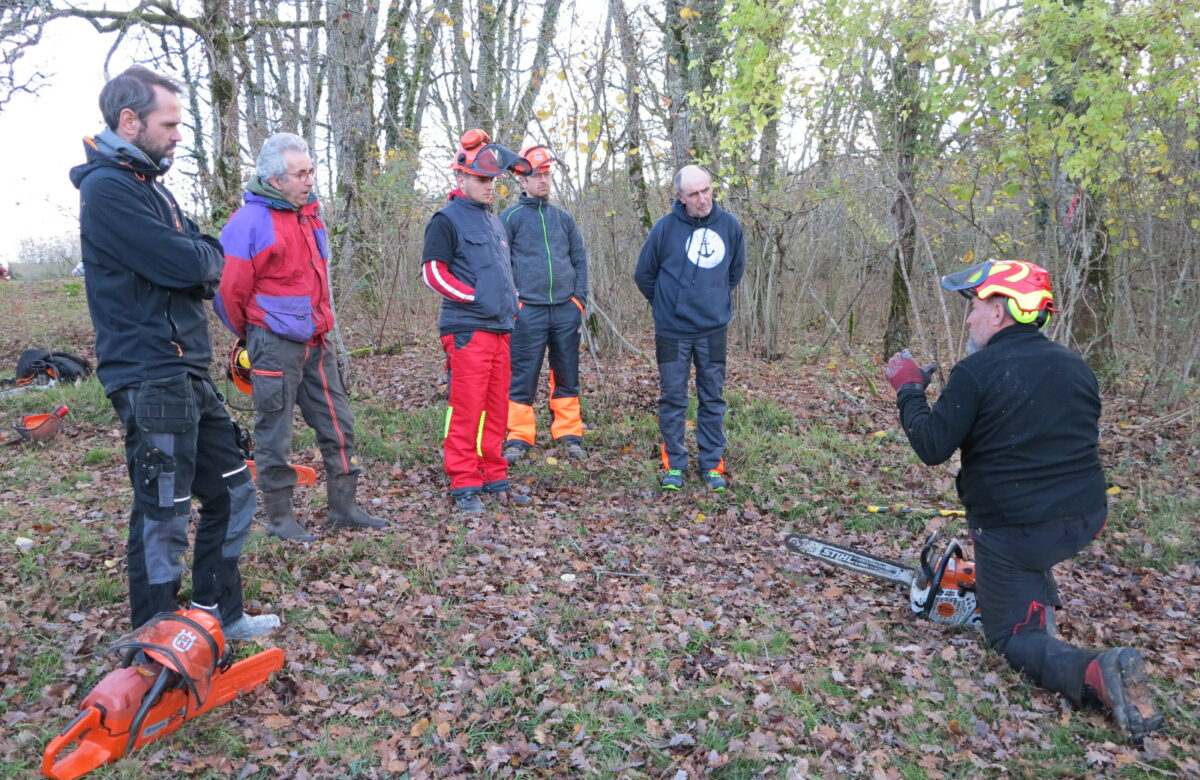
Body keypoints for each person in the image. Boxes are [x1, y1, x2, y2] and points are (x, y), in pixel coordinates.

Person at [884, 258, 1165, 743]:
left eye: (974, 306)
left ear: (1000, 311)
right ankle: (1033, 593)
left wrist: (909, 389)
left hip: (1014, 530)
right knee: (1032, 541)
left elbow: (931, 447)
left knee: (1010, 636)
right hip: (1085, 517)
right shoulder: (1077, 366)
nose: (969, 318)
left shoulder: (977, 371)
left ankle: (1096, 671)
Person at [69, 66, 277, 639]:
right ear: (129, 120)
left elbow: (209, 255)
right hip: (148, 372)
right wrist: (195, 260)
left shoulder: (150, 187)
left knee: (234, 491)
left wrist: (196, 259)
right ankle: (155, 638)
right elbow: (189, 263)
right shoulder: (107, 189)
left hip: (187, 369)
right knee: (163, 509)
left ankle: (218, 614)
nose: (178, 135)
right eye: (170, 124)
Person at [215, 132, 386, 541]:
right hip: (273, 344)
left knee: (339, 423)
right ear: (275, 180)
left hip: (318, 341)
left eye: (311, 171)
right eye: (301, 173)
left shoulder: (310, 215)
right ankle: (280, 520)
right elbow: (227, 292)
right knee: (275, 431)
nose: (310, 180)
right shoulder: (248, 224)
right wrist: (254, 333)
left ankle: (344, 508)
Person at [420, 129, 533, 513]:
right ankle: (464, 481)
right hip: (467, 330)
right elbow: (434, 274)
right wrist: (475, 299)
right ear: (461, 178)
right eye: (483, 180)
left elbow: (501, 273)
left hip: (501, 328)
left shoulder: (494, 222)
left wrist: (510, 300)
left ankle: (493, 475)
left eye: (493, 180)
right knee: (467, 408)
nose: (490, 187)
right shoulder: (446, 220)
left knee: (496, 407)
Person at [634, 165, 745, 491]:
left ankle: (712, 464)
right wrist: (668, 304)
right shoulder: (665, 229)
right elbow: (644, 275)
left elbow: (734, 272)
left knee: (712, 398)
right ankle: (675, 466)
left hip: (713, 329)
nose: (702, 199)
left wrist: (713, 300)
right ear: (679, 197)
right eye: (694, 194)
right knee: (673, 399)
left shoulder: (729, 226)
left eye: (706, 190)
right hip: (672, 331)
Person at [500, 144, 589, 464]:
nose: (544, 181)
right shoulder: (508, 218)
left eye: (548, 175)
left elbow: (579, 259)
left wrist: (578, 300)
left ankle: (569, 433)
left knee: (566, 373)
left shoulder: (563, 218)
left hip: (565, 309)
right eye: (538, 175)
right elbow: (501, 266)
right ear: (522, 180)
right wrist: (516, 305)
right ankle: (519, 436)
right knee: (522, 374)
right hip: (528, 311)